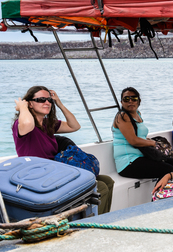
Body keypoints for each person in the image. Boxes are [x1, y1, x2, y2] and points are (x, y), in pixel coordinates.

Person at [12, 85, 114, 215]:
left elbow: (74, 126)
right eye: (41, 100)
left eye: (49, 100)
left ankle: (101, 220)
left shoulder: (48, 124)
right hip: (37, 178)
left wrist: (59, 103)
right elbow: (27, 124)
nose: (47, 102)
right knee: (100, 187)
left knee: (107, 181)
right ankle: (92, 224)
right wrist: (22, 107)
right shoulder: (21, 125)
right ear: (30, 104)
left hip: (55, 173)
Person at [112, 87, 173, 179]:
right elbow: (133, 140)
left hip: (141, 156)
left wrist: (148, 140)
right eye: (126, 99)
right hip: (128, 162)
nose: (130, 101)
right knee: (168, 169)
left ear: (139, 101)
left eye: (134, 98)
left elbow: (139, 136)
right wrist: (153, 143)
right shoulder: (122, 116)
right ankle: (160, 193)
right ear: (121, 102)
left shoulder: (138, 113)